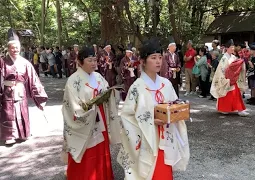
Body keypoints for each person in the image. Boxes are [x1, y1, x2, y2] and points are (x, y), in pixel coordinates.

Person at [118, 38, 189, 179]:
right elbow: (127, 116)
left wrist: (177, 110)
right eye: (153, 58)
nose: (158, 61)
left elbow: (174, 104)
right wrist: (150, 120)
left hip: (166, 135)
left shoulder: (166, 84)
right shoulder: (137, 87)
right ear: (143, 62)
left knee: (163, 170)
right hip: (147, 138)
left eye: (160, 58)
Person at [61, 47, 121, 179]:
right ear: (80, 62)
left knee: (100, 151)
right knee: (87, 152)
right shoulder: (73, 81)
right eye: (90, 60)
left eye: (95, 60)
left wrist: (110, 94)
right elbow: (71, 105)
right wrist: (89, 107)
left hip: (100, 118)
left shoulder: (98, 77)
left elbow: (106, 91)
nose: (94, 63)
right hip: (85, 120)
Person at [0, 28, 48, 145]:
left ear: (20, 48)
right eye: (12, 48)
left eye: (17, 47)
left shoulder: (25, 63)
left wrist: (39, 96)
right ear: (8, 49)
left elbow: (34, 79)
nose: (15, 50)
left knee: (22, 111)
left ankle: (23, 133)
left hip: (20, 90)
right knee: (8, 112)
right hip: (7, 91)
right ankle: (9, 136)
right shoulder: (2, 61)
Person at [210, 39, 249, 116]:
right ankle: (224, 108)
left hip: (233, 79)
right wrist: (225, 78)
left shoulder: (233, 57)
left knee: (236, 94)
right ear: (227, 48)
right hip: (226, 79)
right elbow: (221, 69)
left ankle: (240, 109)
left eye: (233, 47)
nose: (233, 49)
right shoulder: (224, 58)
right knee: (226, 94)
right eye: (231, 47)